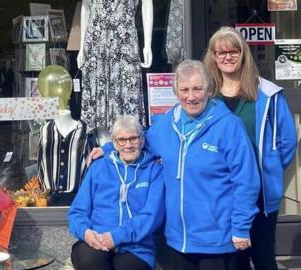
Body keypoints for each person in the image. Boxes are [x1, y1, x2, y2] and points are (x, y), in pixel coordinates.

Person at [89, 60, 261, 270]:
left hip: (217, 238)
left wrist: (241, 227)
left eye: (197, 89)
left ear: (208, 89)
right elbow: (140, 142)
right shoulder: (166, 124)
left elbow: (246, 180)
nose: (191, 96)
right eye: (184, 90)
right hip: (178, 239)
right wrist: (107, 149)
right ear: (176, 92)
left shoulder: (229, 126)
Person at [204, 26, 297, 270]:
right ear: (213, 57)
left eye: (233, 51)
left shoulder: (267, 93)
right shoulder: (205, 95)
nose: (227, 57)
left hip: (260, 193)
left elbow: (287, 142)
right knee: (234, 259)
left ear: (243, 53)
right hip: (222, 192)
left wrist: (269, 166)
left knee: (264, 256)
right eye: (220, 52)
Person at [68, 115, 164, 270]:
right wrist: (85, 232)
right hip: (97, 239)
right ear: (113, 142)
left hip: (136, 246)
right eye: (122, 140)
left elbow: (152, 216)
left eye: (133, 139)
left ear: (142, 140)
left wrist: (116, 237)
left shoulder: (155, 171)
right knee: (91, 262)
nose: (128, 145)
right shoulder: (98, 167)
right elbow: (77, 211)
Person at [77, 0, 153, 131]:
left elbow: (147, 3)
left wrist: (148, 44)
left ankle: (128, 140)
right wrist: (82, 47)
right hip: (96, 42)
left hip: (125, 40)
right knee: (99, 98)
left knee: (128, 92)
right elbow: (85, 7)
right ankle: (103, 145)